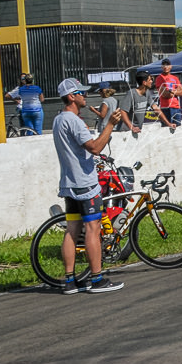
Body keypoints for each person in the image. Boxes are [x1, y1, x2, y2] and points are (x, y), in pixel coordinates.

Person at [53, 77, 125, 294]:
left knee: (72, 231)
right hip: (85, 184)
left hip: (69, 184)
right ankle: (97, 278)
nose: (85, 96)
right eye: (81, 93)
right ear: (71, 97)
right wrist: (111, 125)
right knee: (93, 230)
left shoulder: (59, 119)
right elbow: (95, 147)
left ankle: (69, 281)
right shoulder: (74, 121)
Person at [153, 59, 182, 128]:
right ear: (161, 67)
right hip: (165, 108)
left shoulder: (175, 78)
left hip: (176, 107)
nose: (165, 67)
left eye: (167, 65)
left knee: (179, 129)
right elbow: (165, 94)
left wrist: (171, 91)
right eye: (164, 65)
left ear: (171, 66)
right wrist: (176, 91)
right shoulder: (159, 78)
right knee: (166, 129)